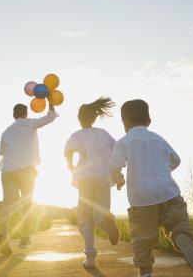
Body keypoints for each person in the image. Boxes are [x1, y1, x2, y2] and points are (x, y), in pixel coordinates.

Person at [109, 99, 193, 277]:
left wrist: (119, 179)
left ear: (125, 123)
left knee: (143, 240)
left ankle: (146, 273)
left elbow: (114, 167)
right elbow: (175, 160)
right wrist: (161, 169)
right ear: (148, 121)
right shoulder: (158, 139)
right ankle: (181, 237)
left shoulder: (124, 142)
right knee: (178, 224)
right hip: (169, 193)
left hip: (142, 200)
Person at [64, 97, 121, 269]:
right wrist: (118, 175)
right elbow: (117, 151)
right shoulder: (103, 133)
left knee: (83, 218)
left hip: (85, 178)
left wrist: (71, 166)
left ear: (79, 119)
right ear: (95, 118)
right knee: (100, 211)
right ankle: (104, 221)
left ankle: (90, 258)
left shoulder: (77, 135)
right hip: (104, 177)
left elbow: (68, 152)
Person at [0, 102, 57, 255]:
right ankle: (25, 237)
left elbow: (2, 152)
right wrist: (51, 102)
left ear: (14, 115)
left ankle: (3, 234)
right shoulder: (30, 124)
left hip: (8, 170)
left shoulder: (6, 132)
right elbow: (50, 117)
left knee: (8, 204)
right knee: (27, 203)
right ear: (26, 114)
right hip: (26, 171)